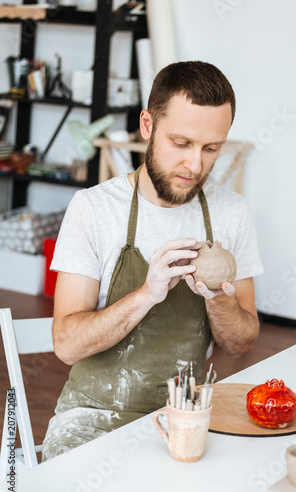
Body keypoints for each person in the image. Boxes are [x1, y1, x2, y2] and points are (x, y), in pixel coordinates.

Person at [41, 60, 263, 461]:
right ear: (147, 125)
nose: (195, 166)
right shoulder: (93, 209)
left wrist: (218, 297)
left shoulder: (232, 212)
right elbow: (66, 344)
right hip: (92, 416)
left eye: (211, 148)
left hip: (187, 412)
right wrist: (146, 294)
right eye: (181, 143)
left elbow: (242, 342)